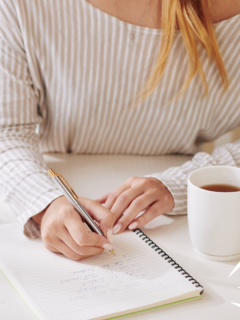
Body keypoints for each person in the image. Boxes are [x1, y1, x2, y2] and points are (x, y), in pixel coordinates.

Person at [0, 0, 239, 261]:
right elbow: (8, 131)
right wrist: (44, 204)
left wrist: (181, 184)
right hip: (51, 195)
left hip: (188, 231)